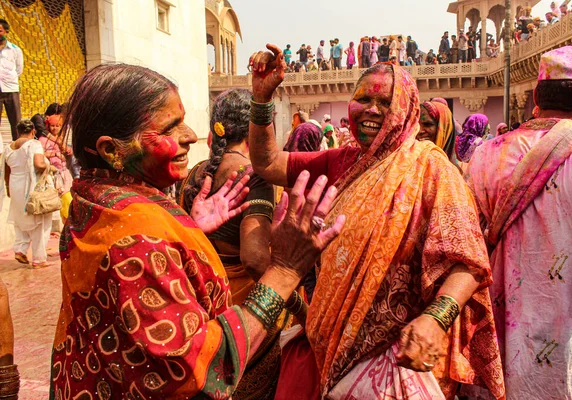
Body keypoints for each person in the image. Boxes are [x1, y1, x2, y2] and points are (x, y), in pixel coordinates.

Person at [49, 63, 345, 399]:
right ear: (111, 150)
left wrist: (187, 231)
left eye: (185, 121)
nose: (190, 136)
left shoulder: (94, 199)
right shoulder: (138, 240)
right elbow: (199, 371)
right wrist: (286, 270)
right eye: (170, 129)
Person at [247, 44, 504, 400]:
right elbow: (266, 163)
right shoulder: (341, 161)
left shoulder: (433, 170)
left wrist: (435, 319)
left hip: (397, 359)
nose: (371, 109)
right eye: (363, 98)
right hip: (332, 349)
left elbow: (468, 263)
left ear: (406, 111)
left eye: (385, 102)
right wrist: (262, 100)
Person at [464, 46, 572, 400]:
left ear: (537, 96)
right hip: (567, 348)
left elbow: (466, 249)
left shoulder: (485, 154)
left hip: (495, 343)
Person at [179, 89, 288, 399]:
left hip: (203, 297)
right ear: (257, 129)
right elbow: (253, 259)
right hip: (240, 307)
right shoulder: (255, 176)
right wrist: (292, 297)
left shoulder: (197, 172)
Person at [1, 119, 51, 268]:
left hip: (15, 185)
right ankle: (39, 259)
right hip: (30, 185)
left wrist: (9, 189)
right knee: (38, 221)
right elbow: (39, 164)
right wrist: (50, 166)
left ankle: (20, 250)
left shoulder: (9, 147)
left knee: (20, 219)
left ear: (18, 131)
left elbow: (7, 171)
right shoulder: (34, 144)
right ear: (33, 131)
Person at [38, 115, 73, 199]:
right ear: (48, 126)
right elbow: (40, 154)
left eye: (57, 126)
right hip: (52, 173)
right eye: (52, 126)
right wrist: (55, 154)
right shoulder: (42, 139)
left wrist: (69, 151)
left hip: (64, 172)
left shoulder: (62, 138)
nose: (55, 128)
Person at [0, 19, 23, 141]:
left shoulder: (15, 50)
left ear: (6, 32)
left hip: (11, 89)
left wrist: (9, 80)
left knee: (16, 123)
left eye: (0, 30)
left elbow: (19, 69)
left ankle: (18, 149)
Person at [418, 101, 459, 165]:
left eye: (428, 124)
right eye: (416, 125)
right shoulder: (406, 162)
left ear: (445, 128)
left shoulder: (455, 171)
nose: (419, 131)